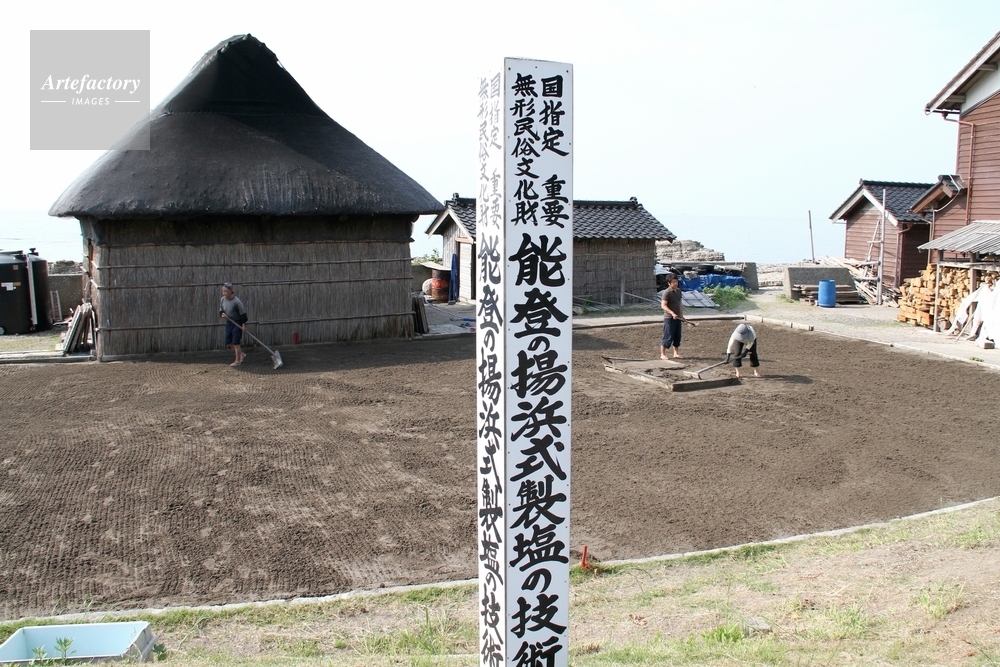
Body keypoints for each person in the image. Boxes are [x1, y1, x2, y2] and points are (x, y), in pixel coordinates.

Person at [219, 282, 247, 366]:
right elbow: (221, 310)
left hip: (237, 322)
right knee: (228, 342)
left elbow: (243, 314)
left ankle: (238, 361)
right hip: (229, 322)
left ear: (231, 291)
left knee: (235, 342)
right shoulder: (223, 299)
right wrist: (222, 314)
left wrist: (243, 324)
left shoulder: (236, 301)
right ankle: (241, 354)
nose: (224, 293)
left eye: (225, 291)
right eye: (223, 291)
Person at [660, 275, 684, 359]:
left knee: (677, 336)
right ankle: (662, 354)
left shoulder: (678, 291)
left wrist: (681, 315)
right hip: (669, 318)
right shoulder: (667, 292)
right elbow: (663, 305)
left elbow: (680, 303)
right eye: (673, 282)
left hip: (678, 317)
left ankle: (676, 353)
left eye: (676, 281)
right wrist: (672, 313)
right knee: (668, 335)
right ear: (669, 283)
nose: (675, 283)